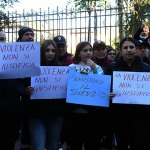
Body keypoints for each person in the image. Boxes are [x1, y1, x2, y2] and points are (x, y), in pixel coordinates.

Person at [105, 37, 150, 149]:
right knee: (122, 144)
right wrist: (109, 94)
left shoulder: (145, 68)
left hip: (140, 115)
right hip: (120, 115)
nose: (128, 50)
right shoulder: (112, 67)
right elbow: (105, 89)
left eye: (131, 47)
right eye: (125, 47)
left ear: (136, 49)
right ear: (120, 50)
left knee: (140, 144)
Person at [23, 39, 65, 150]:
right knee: (38, 147)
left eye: (53, 51)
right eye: (47, 50)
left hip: (56, 116)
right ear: (41, 52)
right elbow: (23, 89)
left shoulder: (62, 70)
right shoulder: (32, 69)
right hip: (37, 116)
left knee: (53, 146)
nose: (50, 53)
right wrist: (27, 91)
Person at [66, 41, 104, 150]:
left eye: (90, 50)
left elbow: (101, 87)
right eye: (85, 50)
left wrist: (94, 69)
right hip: (75, 113)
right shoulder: (71, 67)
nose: (88, 53)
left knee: (92, 144)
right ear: (79, 53)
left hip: (92, 114)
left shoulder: (98, 68)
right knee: (75, 144)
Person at [0, 29, 23, 150]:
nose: (2, 43)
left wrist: (19, 93)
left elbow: (19, 83)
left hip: (11, 116)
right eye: (0, 39)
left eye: (3, 39)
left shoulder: (12, 61)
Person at [17, 27, 34, 150]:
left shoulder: (37, 52)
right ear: (20, 38)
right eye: (27, 34)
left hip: (33, 98)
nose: (30, 37)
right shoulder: (11, 54)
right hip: (17, 100)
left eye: (32, 34)